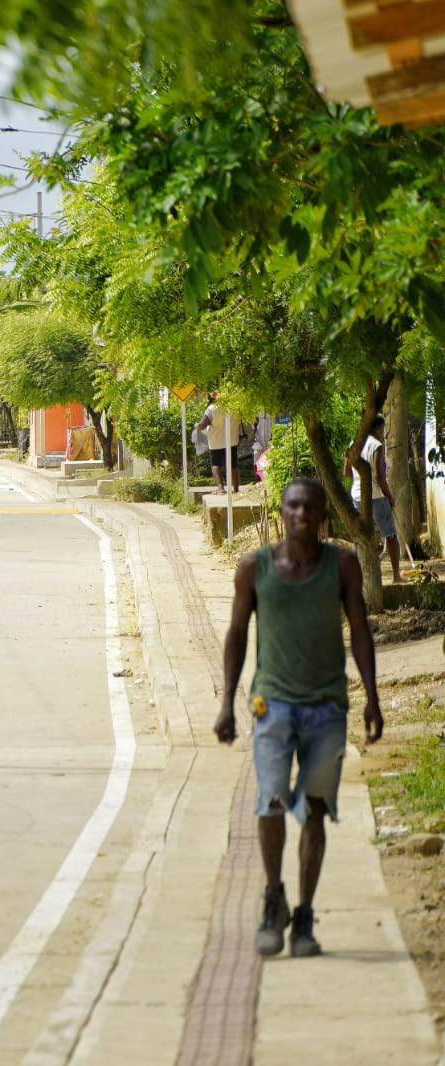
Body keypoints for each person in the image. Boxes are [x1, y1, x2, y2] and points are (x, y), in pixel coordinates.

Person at [215, 478, 382, 960]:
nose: (302, 514)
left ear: (322, 515)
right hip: (272, 705)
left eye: (310, 506)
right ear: (282, 511)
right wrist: (227, 701)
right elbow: (237, 634)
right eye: (293, 506)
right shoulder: (255, 568)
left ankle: (304, 916)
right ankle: (274, 900)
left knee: (313, 810)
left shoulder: (343, 564)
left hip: (328, 707)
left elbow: (361, 631)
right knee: (269, 804)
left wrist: (371, 696)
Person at [345, 415, 403, 585]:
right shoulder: (377, 446)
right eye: (382, 429)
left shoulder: (353, 444)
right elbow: (379, 476)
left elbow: (347, 472)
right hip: (376, 496)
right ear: (376, 429)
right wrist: (390, 496)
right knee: (391, 535)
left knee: (360, 538)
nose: (382, 432)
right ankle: (396, 576)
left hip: (356, 496)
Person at [197, 395, 234, 493]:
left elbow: (202, 425)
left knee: (216, 464)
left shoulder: (211, 408)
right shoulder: (233, 406)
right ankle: (236, 488)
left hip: (216, 441)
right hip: (232, 439)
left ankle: (220, 487)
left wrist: (197, 426)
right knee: (233, 464)